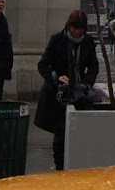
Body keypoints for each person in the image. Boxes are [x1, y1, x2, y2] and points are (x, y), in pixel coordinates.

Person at [35, 9, 100, 171]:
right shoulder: (57, 40)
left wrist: (86, 82)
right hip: (59, 94)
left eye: (80, 29)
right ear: (69, 26)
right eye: (74, 28)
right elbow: (43, 65)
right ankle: (59, 167)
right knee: (60, 133)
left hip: (80, 93)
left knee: (80, 131)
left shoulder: (88, 42)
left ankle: (76, 163)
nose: (77, 32)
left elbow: (93, 66)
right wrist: (57, 78)